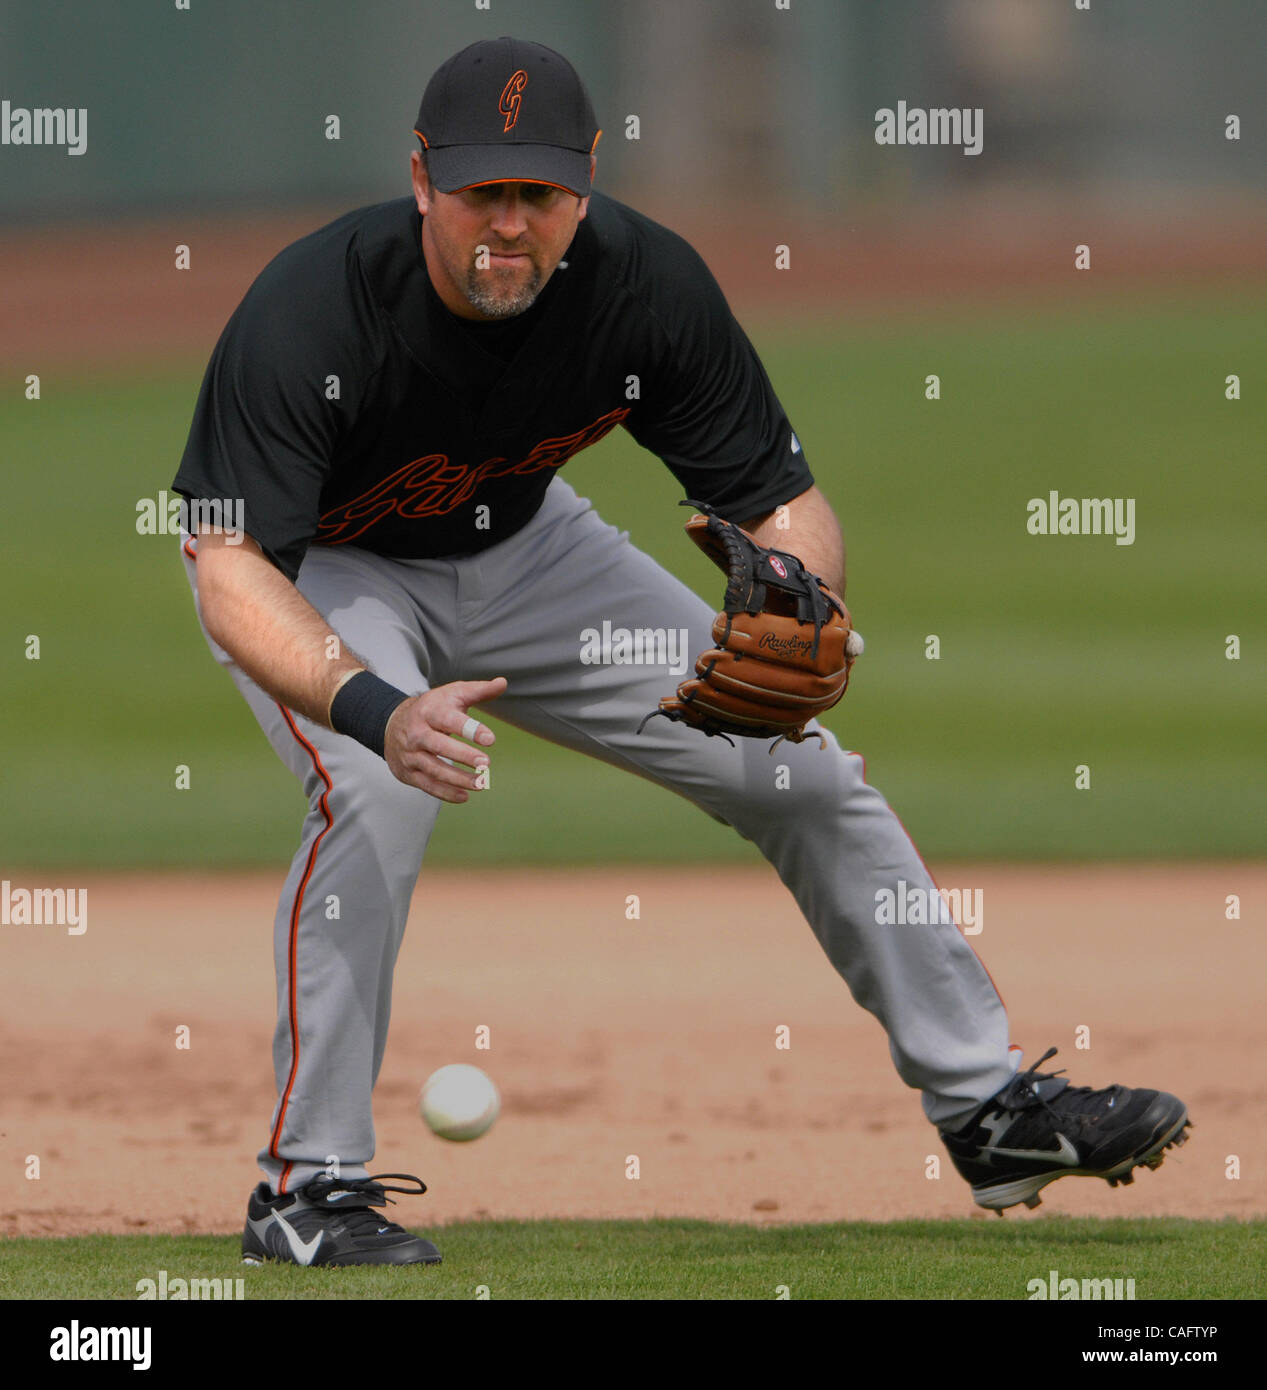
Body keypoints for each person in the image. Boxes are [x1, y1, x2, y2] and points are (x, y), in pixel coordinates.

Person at [172, 36, 1189, 1268]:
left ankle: (989, 1113)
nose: (509, 225)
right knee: (375, 789)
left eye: (536, 196)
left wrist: (801, 597)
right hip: (319, 572)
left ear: (586, 183)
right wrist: (374, 702)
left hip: (533, 551)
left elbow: (784, 500)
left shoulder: (645, 286)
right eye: (483, 193)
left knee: (799, 769)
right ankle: (306, 1188)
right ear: (421, 180)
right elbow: (230, 568)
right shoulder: (313, 305)